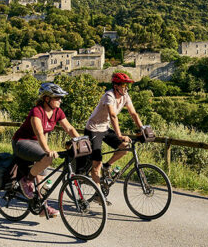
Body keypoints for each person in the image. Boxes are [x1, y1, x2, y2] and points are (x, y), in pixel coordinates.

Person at [11, 82, 80, 218]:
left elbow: (70, 129)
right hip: (22, 142)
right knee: (47, 158)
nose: (60, 100)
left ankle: (43, 207)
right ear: (47, 99)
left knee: (42, 181)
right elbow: (39, 133)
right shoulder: (37, 111)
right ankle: (26, 180)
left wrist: (81, 142)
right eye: (57, 98)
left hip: (37, 144)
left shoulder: (57, 112)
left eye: (60, 97)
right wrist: (48, 150)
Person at [84, 72, 144, 203]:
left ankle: (107, 165)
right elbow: (113, 115)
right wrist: (119, 135)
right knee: (96, 164)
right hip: (93, 129)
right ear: (115, 86)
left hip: (104, 128)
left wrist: (142, 129)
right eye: (123, 85)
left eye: (126, 85)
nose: (125, 88)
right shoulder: (108, 96)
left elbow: (133, 113)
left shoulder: (125, 96)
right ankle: (98, 194)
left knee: (124, 148)